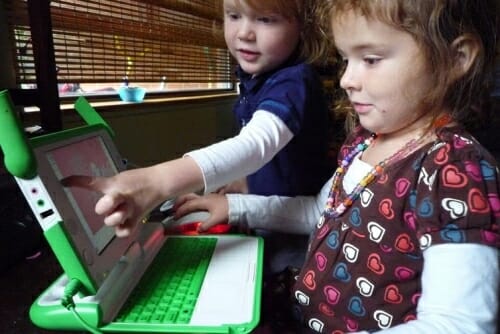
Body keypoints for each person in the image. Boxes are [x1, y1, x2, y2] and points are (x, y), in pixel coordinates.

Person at [174, 0, 500, 332]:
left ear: (455, 59)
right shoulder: (366, 140)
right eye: (347, 60)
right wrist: (235, 206)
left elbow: (459, 324)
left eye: (370, 60)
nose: (346, 79)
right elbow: (319, 211)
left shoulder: (455, 171)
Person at [63, 0, 333, 244]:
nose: (244, 33)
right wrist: (242, 182)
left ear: (304, 27)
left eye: (265, 19)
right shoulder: (259, 78)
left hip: (294, 237)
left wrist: (155, 181)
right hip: (265, 212)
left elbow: (257, 144)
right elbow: (280, 160)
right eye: (234, 15)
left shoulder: (294, 81)